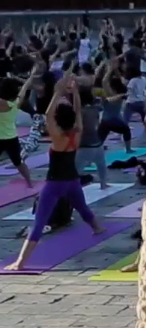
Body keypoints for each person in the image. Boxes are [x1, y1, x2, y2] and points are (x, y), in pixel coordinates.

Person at [5, 76, 104, 272]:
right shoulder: (77, 132)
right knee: (82, 207)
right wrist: (74, 93)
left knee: (39, 222)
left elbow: (48, 115)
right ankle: (97, 228)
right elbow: (77, 114)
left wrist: (58, 92)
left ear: (59, 120)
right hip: (72, 180)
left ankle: (20, 263)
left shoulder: (58, 136)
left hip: (55, 183)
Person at [0, 76, 34, 189]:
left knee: (18, 162)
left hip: (1, 138)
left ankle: (30, 183)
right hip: (12, 137)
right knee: (18, 163)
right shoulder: (16, 102)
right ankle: (29, 183)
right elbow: (24, 88)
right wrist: (32, 76)